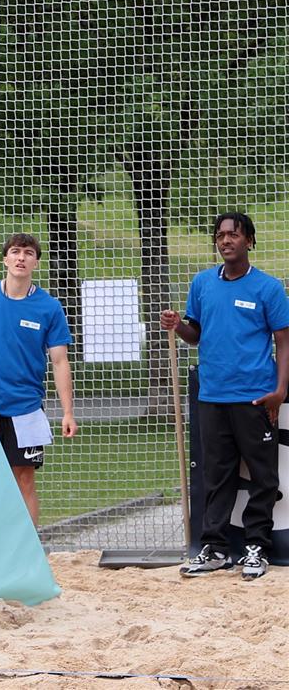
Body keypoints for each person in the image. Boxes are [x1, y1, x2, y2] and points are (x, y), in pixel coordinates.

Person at [163, 212, 288, 581]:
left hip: (254, 397)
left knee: (263, 476)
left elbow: (284, 342)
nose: (226, 241)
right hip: (213, 395)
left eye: (233, 234)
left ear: (249, 240)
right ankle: (215, 548)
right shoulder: (202, 283)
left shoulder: (268, 288)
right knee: (217, 475)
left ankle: (256, 547)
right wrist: (178, 325)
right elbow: (196, 334)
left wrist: (279, 391)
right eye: (220, 236)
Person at [0, 234, 77, 526]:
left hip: (26, 408)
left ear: (36, 262)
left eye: (28, 253)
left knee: (24, 479)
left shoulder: (49, 307)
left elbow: (60, 361)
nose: (21, 257)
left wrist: (68, 412)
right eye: (15, 251)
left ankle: (30, 547)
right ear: (5, 259)